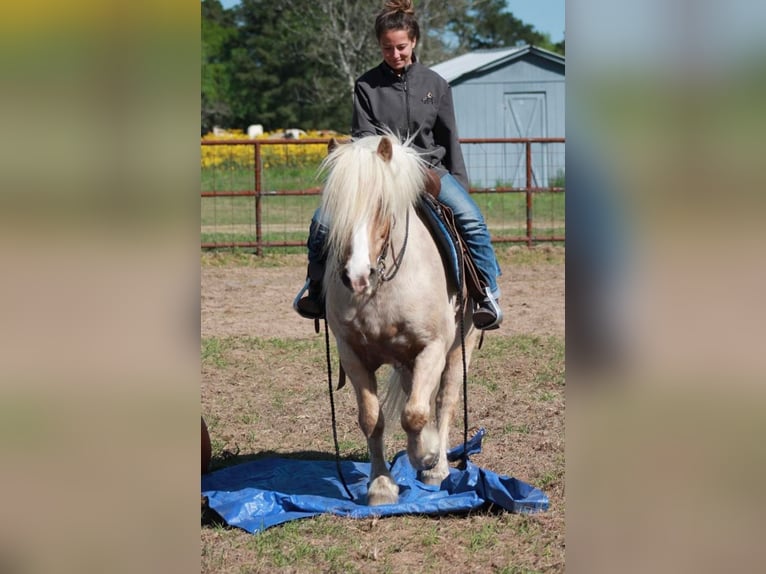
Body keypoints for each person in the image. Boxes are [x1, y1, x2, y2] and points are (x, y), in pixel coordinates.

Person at [294, 0, 502, 330]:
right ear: (380, 46)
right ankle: (315, 288)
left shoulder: (436, 84)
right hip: (379, 174)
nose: (395, 54)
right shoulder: (365, 85)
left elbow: (449, 140)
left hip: (429, 172)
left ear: (414, 42)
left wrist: (459, 183)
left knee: (472, 220)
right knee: (322, 222)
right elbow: (363, 137)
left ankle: (486, 293)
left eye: (401, 47)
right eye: (387, 48)